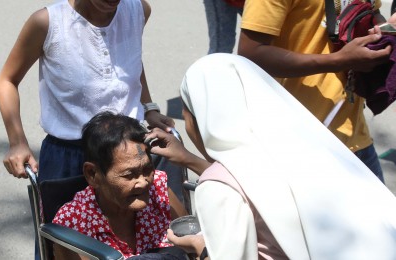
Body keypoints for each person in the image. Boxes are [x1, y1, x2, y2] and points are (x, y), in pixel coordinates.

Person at [146, 53, 396, 259]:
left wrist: (201, 249)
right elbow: (255, 184)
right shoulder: (303, 147)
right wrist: (191, 160)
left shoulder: (216, 189)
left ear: (204, 117)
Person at [0, 0, 174, 183]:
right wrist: (17, 142)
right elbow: (7, 80)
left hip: (132, 154)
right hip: (69, 158)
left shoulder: (138, 10)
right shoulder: (47, 22)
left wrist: (149, 107)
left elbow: (129, 60)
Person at [236, 0, 390, 183]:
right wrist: (338, 61)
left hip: (355, 137)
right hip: (298, 143)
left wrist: (385, 31)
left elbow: (373, 13)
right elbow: (251, 52)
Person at [52, 111, 187, 259]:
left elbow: (191, 238)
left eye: (147, 169)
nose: (143, 182)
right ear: (92, 174)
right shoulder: (74, 224)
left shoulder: (158, 188)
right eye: (129, 175)